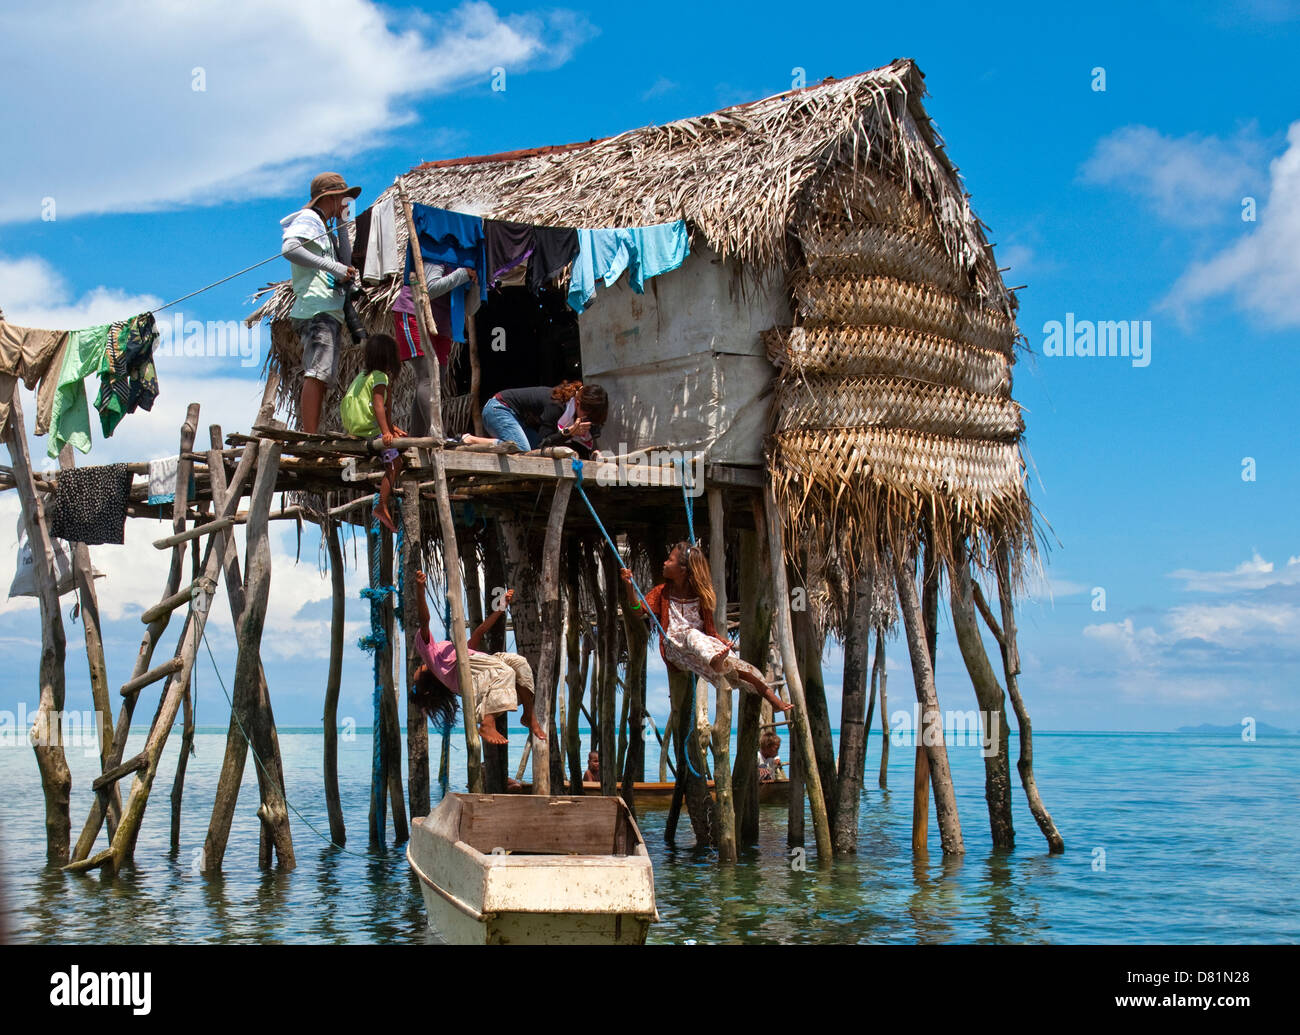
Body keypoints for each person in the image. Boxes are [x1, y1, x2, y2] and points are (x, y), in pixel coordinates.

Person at [623, 542, 793, 715]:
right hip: (674, 647)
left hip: (698, 648)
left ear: (682, 570)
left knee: (734, 665)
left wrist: (721, 642)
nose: (665, 563)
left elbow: (710, 632)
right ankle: (715, 660)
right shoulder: (663, 592)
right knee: (692, 636)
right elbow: (638, 611)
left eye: (670, 560)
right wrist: (630, 587)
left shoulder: (700, 595)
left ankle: (772, 698)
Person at [408, 573, 546, 746]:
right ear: (426, 680)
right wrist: (420, 590)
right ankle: (487, 723)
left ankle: (528, 715)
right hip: (488, 679)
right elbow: (424, 621)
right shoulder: (433, 660)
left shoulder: (448, 656)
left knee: (520, 664)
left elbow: (479, 632)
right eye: (416, 676)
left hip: (490, 667)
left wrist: (501, 607)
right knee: (505, 671)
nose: (417, 668)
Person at [281, 172, 361, 433]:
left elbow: (342, 263)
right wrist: (332, 266)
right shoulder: (310, 219)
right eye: (345, 198)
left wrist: (343, 229)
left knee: (323, 373)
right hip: (317, 309)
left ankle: (312, 431)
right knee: (317, 371)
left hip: (327, 309)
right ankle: (310, 434)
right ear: (334, 197)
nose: (347, 203)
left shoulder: (327, 228)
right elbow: (290, 249)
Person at [392, 262, 480, 438]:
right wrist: (462, 273)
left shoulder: (474, 265)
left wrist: (476, 285)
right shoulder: (440, 253)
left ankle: (416, 438)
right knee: (427, 378)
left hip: (442, 324)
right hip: (414, 313)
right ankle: (440, 434)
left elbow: (470, 309)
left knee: (436, 379)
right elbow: (429, 289)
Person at [340, 333, 405, 534]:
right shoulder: (380, 377)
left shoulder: (363, 376)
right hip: (369, 428)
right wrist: (385, 433)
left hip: (355, 427)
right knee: (396, 463)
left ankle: (383, 504)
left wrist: (391, 427)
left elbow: (386, 407)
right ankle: (381, 505)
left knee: (399, 439)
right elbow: (378, 406)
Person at [483, 381, 607, 457]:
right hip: (498, 409)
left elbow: (589, 440)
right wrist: (569, 432)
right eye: (587, 414)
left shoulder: (576, 412)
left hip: (520, 421)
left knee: (529, 452)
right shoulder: (556, 406)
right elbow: (541, 444)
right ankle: (471, 440)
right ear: (578, 403)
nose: (587, 419)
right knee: (523, 451)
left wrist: (595, 451)